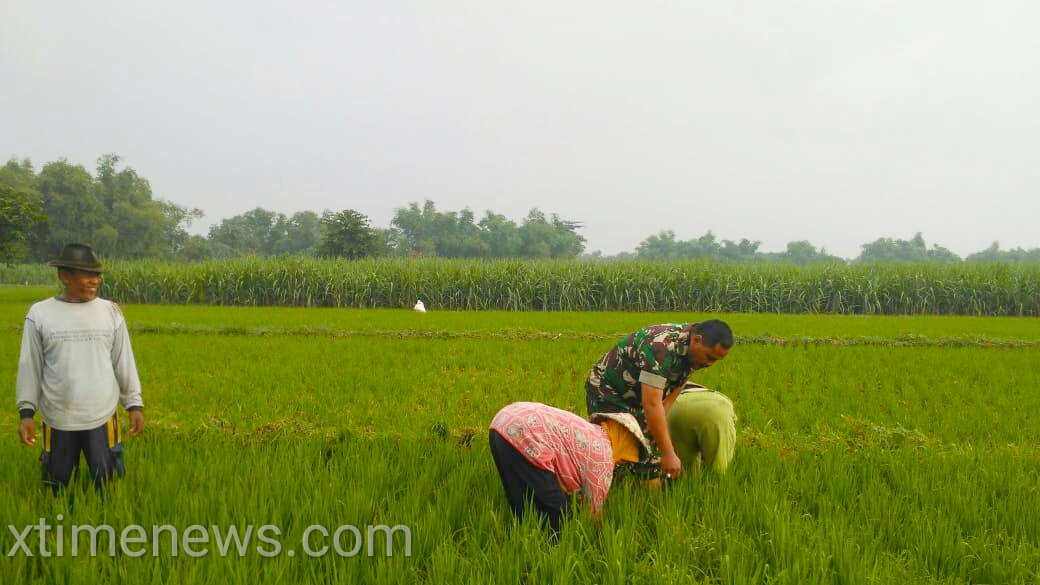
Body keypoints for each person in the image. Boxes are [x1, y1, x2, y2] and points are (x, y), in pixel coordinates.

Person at [15, 243, 145, 491]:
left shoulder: (111, 312)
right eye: (87, 274)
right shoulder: (40, 314)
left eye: (97, 274)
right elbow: (29, 366)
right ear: (64, 276)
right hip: (58, 418)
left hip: (102, 416)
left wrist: (134, 404)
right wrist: (26, 413)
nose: (95, 280)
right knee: (57, 486)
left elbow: (123, 361)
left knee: (107, 486)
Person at [585, 319, 733, 480]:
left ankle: (648, 494)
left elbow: (674, 389)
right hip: (609, 390)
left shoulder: (693, 349)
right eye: (709, 357)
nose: (710, 364)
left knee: (650, 455)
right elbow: (651, 405)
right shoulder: (661, 348)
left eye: (716, 360)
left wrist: (656, 436)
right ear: (697, 340)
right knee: (614, 449)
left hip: (640, 392)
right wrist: (668, 453)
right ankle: (603, 489)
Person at [488, 401, 654, 537]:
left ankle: (522, 541)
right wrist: (599, 540)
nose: (625, 461)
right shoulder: (603, 455)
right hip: (524, 432)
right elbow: (593, 513)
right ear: (627, 441)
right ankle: (552, 554)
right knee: (559, 515)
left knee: (523, 503)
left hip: (502, 423)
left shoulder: (590, 432)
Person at [667, 383, 737, 474]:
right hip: (717, 403)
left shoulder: (655, 382)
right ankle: (717, 484)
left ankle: (689, 480)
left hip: (677, 405)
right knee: (719, 468)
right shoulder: (683, 376)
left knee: (686, 471)